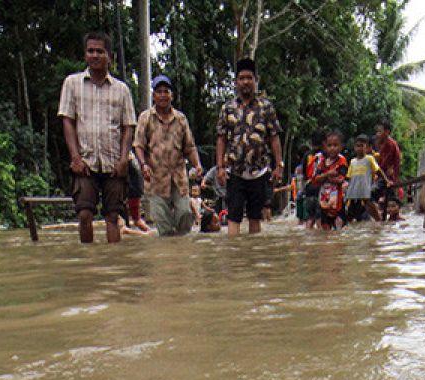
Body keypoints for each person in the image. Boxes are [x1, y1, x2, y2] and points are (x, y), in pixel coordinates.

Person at [59, 32, 136, 244]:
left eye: (100, 51)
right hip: (85, 161)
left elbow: (128, 127)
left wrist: (123, 160)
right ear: (85, 55)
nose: (95, 55)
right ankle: (88, 266)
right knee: (84, 214)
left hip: (113, 162)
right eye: (90, 51)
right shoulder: (72, 84)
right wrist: (75, 157)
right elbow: (68, 121)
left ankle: (114, 267)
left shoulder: (122, 90)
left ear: (109, 56)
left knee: (113, 216)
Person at [215, 58, 284, 235]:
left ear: (255, 80)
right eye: (242, 78)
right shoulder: (228, 108)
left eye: (249, 78)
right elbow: (221, 138)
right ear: (236, 82)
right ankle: (234, 258)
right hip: (235, 173)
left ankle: (253, 258)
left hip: (259, 172)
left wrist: (278, 165)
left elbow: (274, 137)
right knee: (233, 217)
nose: (246, 82)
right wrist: (220, 167)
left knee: (255, 217)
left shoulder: (266, 107)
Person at [134, 75, 202, 235]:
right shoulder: (146, 118)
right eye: (159, 91)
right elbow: (138, 145)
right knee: (164, 227)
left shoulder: (180, 119)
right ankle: (168, 255)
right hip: (156, 179)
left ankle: (182, 252)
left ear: (172, 95)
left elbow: (190, 147)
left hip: (179, 178)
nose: (163, 95)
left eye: (166, 91)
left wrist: (197, 165)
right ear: (154, 95)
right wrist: (143, 164)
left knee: (185, 214)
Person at [344, 135, 391, 223]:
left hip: (364, 195)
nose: (360, 148)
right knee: (349, 220)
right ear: (354, 147)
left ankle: (380, 224)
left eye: (362, 146)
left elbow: (378, 171)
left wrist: (386, 181)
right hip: (353, 195)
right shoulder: (352, 161)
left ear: (366, 147)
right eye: (358, 146)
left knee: (368, 218)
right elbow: (349, 178)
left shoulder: (369, 159)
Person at [308, 131, 348, 230]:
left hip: (337, 203)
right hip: (323, 201)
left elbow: (340, 180)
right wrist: (328, 175)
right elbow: (315, 180)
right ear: (325, 146)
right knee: (325, 229)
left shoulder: (341, 161)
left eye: (335, 145)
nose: (332, 148)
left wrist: (324, 177)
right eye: (329, 145)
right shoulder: (321, 161)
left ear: (341, 146)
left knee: (339, 229)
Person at [373, 120, 402, 220]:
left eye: (380, 132)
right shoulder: (384, 144)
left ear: (387, 132)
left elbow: (384, 163)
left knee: (373, 193)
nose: (378, 134)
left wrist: (376, 171)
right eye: (377, 132)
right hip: (385, 175)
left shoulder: (390, 144)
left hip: (389, 177)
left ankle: (380, 215)